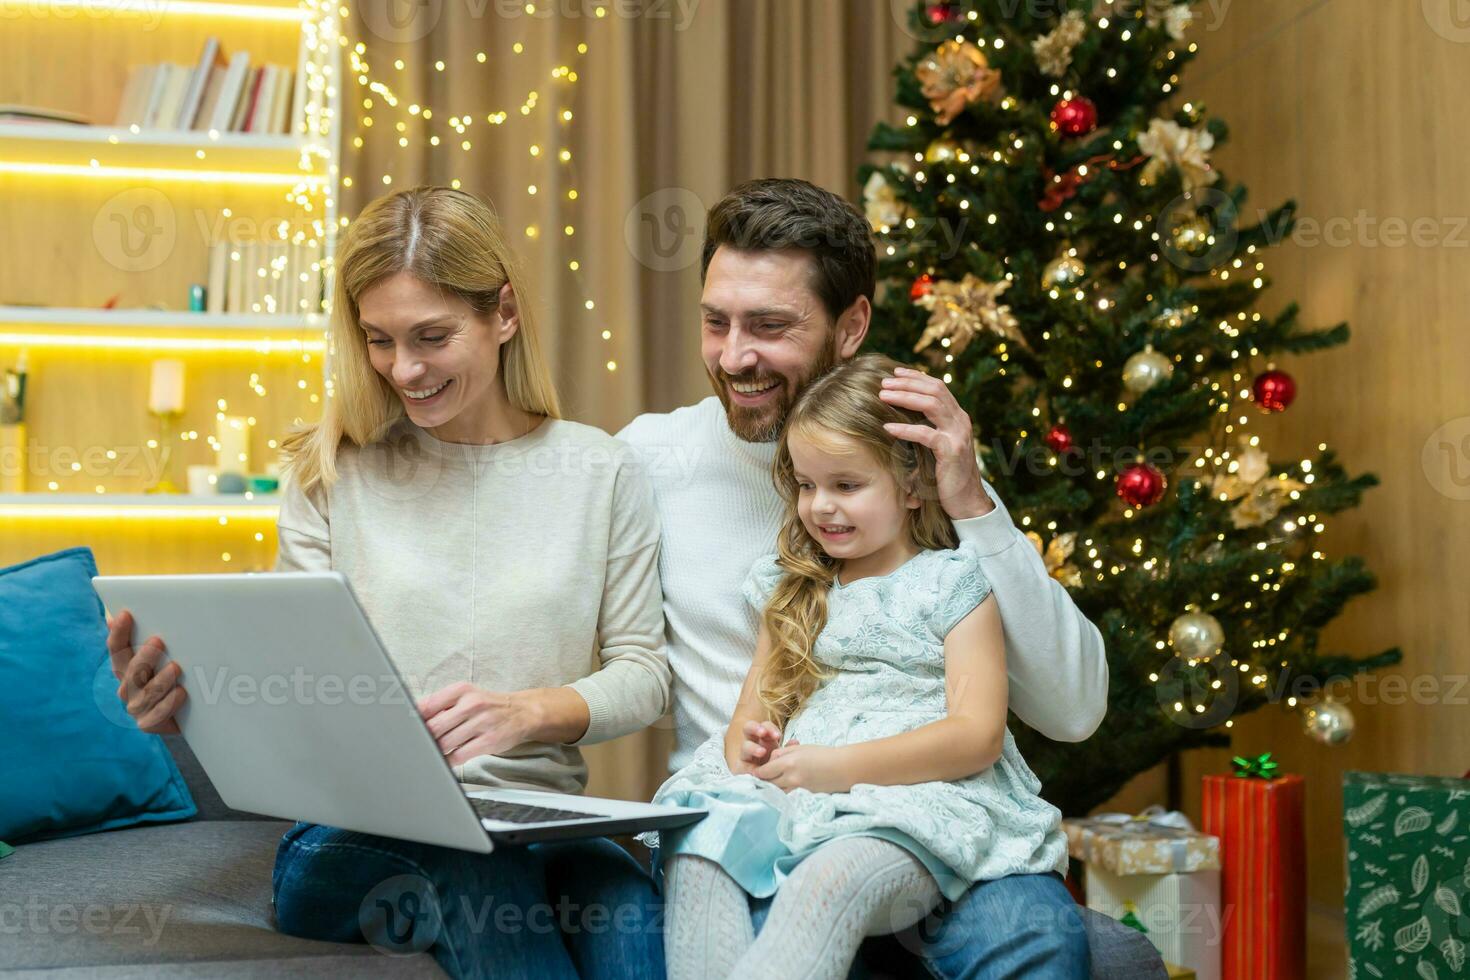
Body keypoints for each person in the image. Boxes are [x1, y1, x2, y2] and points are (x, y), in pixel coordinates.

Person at [105, 185, 670, 980]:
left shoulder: (601, 470)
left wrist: (529, 713)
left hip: (539, 820)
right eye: (379, 339)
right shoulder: (332, 471)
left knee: (632, 912)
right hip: (347, 835)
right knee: (475, 871)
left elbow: (645, 673)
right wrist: (183, 713)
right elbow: (286, 688)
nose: (404, 369)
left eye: (432, 336)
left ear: (503, 313)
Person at [617, 177, 1107, 977]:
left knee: (1039, 935)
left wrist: (974, 503)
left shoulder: (923, 466)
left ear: (852, 326)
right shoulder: (647, 459)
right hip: (760, 808)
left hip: (925, 809)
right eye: (716, 323)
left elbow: (1076, 708)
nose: (735, 356)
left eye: (770, 326)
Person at [648, 354, 1071, 980]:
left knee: (828, 881)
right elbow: (748, 723)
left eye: (846, 485)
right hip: (797, 791)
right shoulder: (791, 588)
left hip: (915, 799)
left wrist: (835, 769)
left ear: (910, 484)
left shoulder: (952, 584)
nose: (820, 507)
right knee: (699, 856)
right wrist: (755, 747)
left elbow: (975, 736)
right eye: (806, 484)